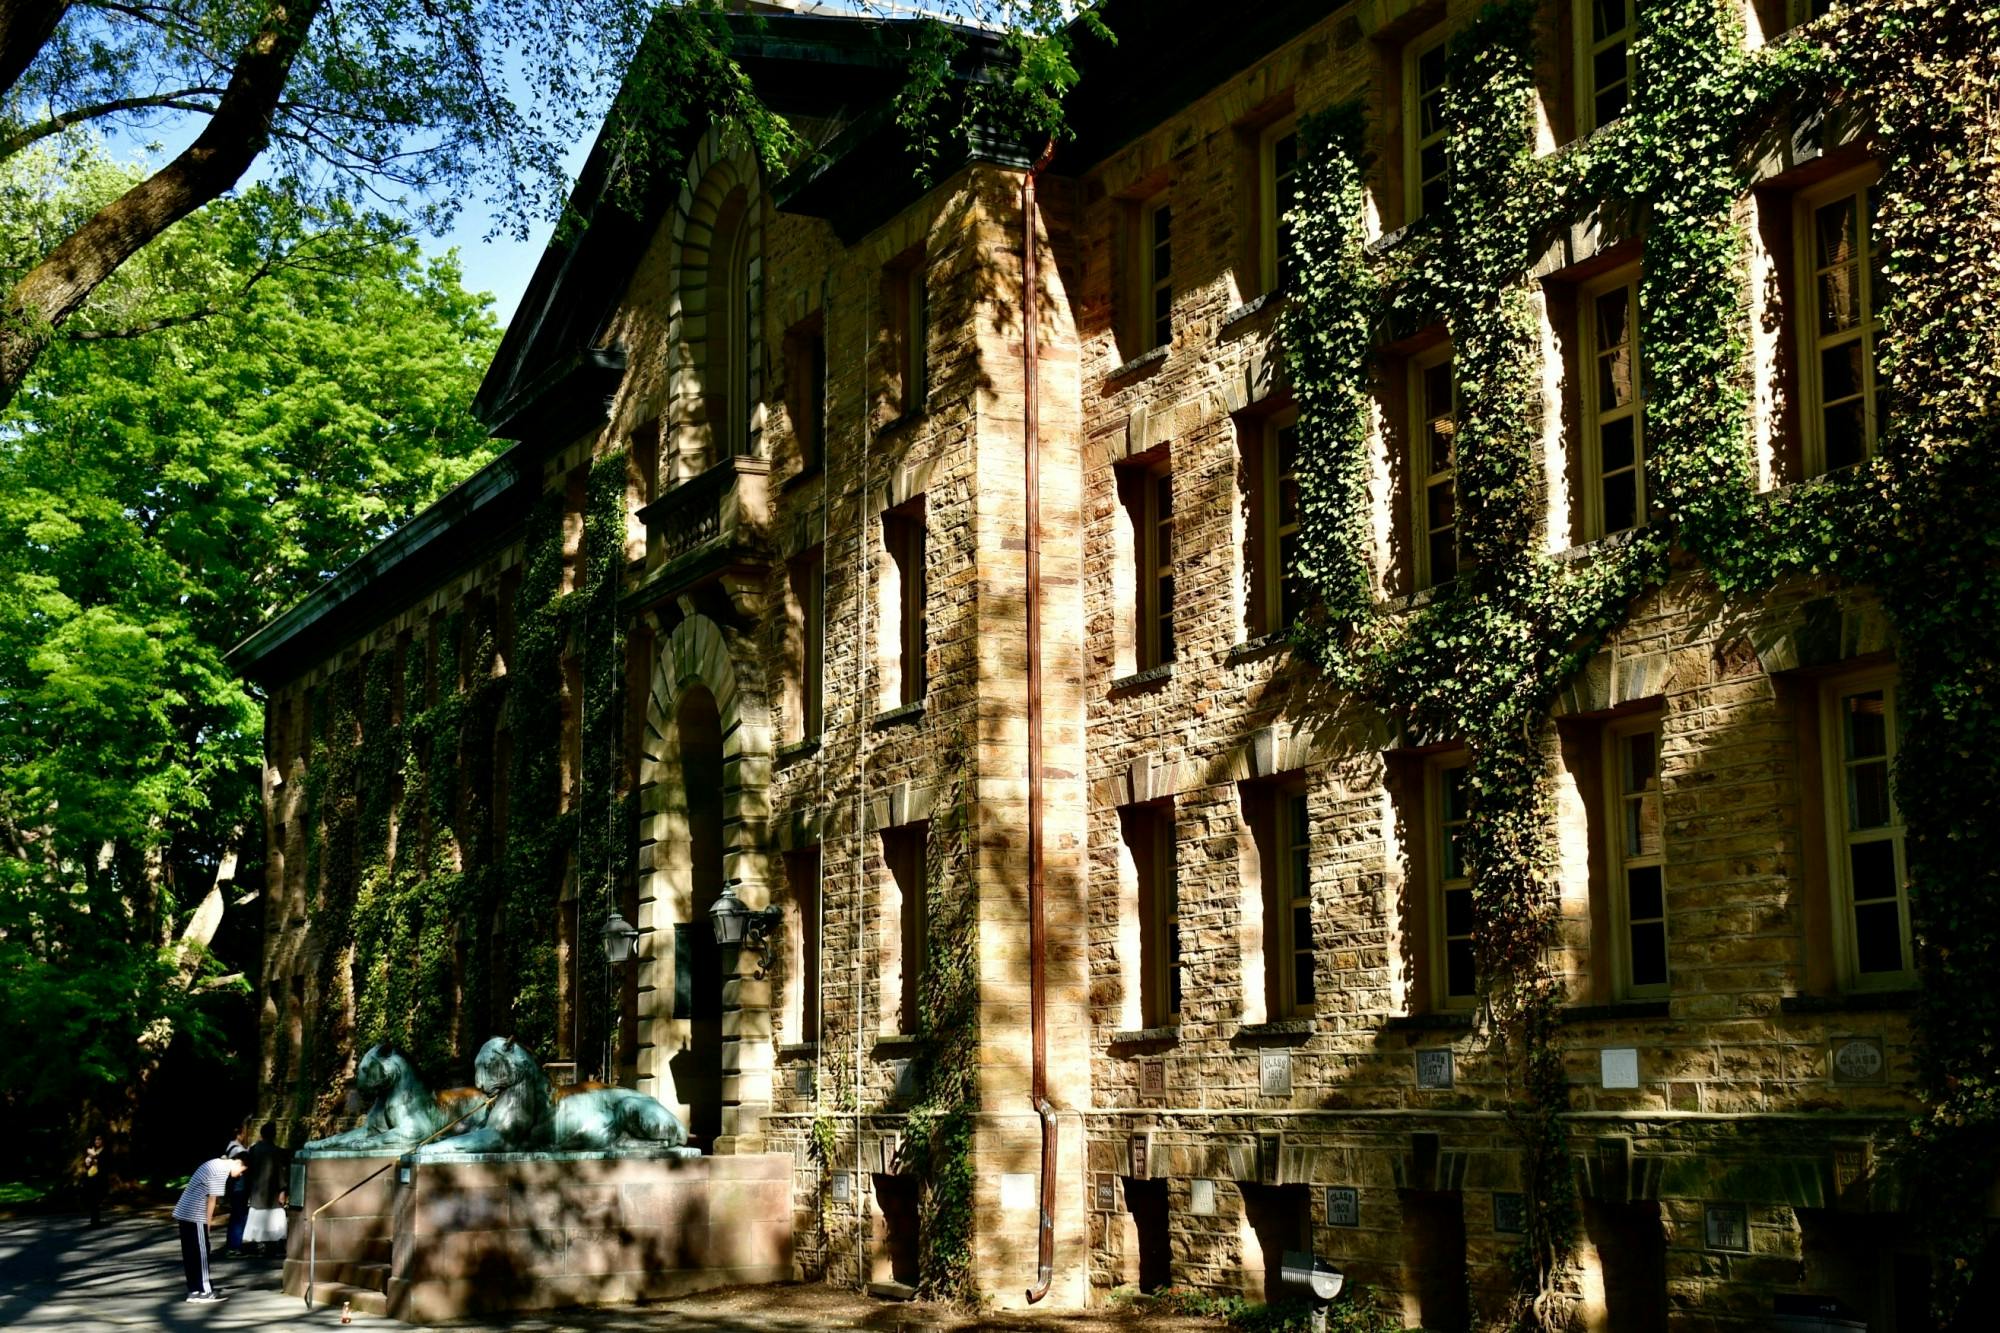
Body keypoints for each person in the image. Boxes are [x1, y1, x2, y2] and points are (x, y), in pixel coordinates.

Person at [172, 1152, 246, 1303]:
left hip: (184, 1211)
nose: (240, 1175)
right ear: (238, 1162)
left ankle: (194, 1291)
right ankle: (205, 1291)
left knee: (190, 1253)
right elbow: (212, 1200)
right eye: (242, 1171)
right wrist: (208, 1224)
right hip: (195, 1213)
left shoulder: (216, 1163)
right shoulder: (222, 1170)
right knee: (202, 1253)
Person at [241, 1123, 289, 1258]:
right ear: (273, 1135)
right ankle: (271, 1246)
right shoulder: (275, 1151)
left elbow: (248, 1170)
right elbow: (280, 1172)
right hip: (272, 1191)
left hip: (257, 1190)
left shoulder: (254, 1150)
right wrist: (283, 1190)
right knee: (273, 1219)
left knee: (258, 1218)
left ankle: (256, 1245)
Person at [222, 1123, 249, 1255]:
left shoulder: (229, 1147)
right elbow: (235, 1172)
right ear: (240, 1134)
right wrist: (247, 1166)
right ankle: (235, 1246)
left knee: (235, 1216)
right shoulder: (238, 1150)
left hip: (234, 1187)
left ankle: (232, 1245)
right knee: (239, 1217)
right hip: (239, 1187)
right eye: (244, 1132)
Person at [81, 1135, 107, 1227]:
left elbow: (104, 1163)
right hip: (91, 1177)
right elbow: (87, 1164)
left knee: (96, 1200)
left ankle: (96, 1221)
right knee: (92, 1201)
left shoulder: (105, 1150)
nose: (97, 1141)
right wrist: (87, 1161)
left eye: (99, 1139)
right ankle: (93, 1221)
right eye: (95, 1139)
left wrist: (94, 1155)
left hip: (100, 1178)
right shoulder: (92, 1150)